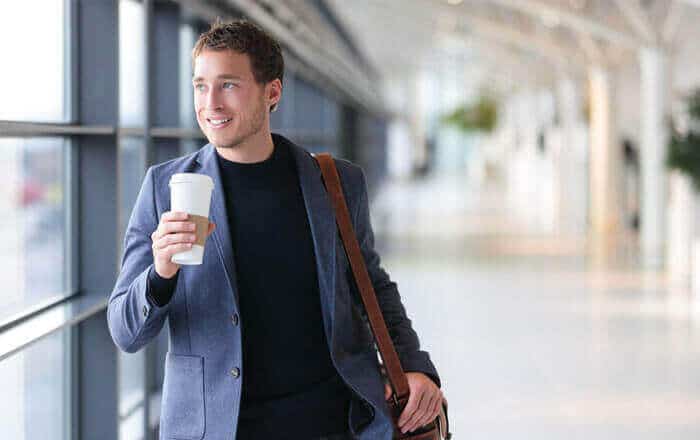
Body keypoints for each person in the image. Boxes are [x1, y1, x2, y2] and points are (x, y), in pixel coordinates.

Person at [107, 19, 442, 440]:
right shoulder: (163, 188)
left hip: (330, 426)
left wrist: (414, 363)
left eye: (229, 85)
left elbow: (372, 285)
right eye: (200, 86)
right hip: (218, 430)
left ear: (273, 92)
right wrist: (161, 273)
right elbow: (125, 332)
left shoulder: (334, 183)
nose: (210, 103)